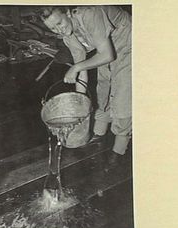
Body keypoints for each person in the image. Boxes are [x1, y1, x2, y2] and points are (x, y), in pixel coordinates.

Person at [39, 5, 132, 169]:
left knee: (123, 96)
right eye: (53, 28)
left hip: (128, 43)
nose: (59, 30)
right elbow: (82, 69)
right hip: (105, 47)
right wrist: (78, 107)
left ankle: (119, 149)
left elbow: (107, 55)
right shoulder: (68, 36)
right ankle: (99, 134)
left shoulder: (89, 14)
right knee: (104, 90)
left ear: (68, 13)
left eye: (59, 23)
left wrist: (75, 68)